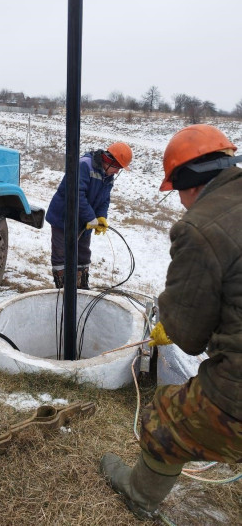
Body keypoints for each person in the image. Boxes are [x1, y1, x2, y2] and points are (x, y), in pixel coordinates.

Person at [99, 124, 242, 520]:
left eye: (176, 191)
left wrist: (172, 319)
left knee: (164, 417)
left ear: (187, 181)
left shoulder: (201, 228)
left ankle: (139, 496)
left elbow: (189, 337)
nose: (180, 203)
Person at [45, 142, 132, 289]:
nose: (117, 172)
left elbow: (105, 199)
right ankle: (63, 290)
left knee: (83, 254)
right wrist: (91, 217)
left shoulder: (108, 176)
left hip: (84, 221)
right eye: (117, 167)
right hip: (64, 218)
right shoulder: (84, 165)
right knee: (61, 255)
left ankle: (81, 287)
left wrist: (101, 217)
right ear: (109, 160)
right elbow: (76, 194)